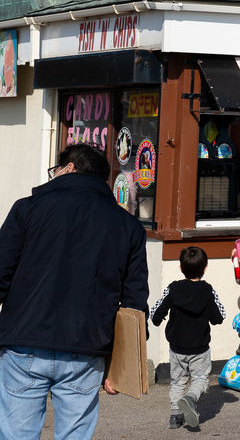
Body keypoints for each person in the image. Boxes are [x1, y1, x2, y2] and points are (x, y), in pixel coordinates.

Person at [0, 143, 148, 440]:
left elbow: (1, 273)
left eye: (55, 170)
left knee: (16, 434)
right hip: (87, 348)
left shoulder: (27, 209)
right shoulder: (128, 226)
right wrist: (123, 363)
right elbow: (134, 302)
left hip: (24, 341)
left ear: (68, 168)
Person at [150, 246, 226, 429]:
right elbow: (219, 316)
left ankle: (175, 417)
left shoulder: (173, 289)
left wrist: (158, 320)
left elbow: (156, 312)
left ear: (180, 267)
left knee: (177, 382)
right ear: (205, 268)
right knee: (200, 379)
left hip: (177, 347)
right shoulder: (208, 291)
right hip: (199, 348)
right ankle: (190, 399)